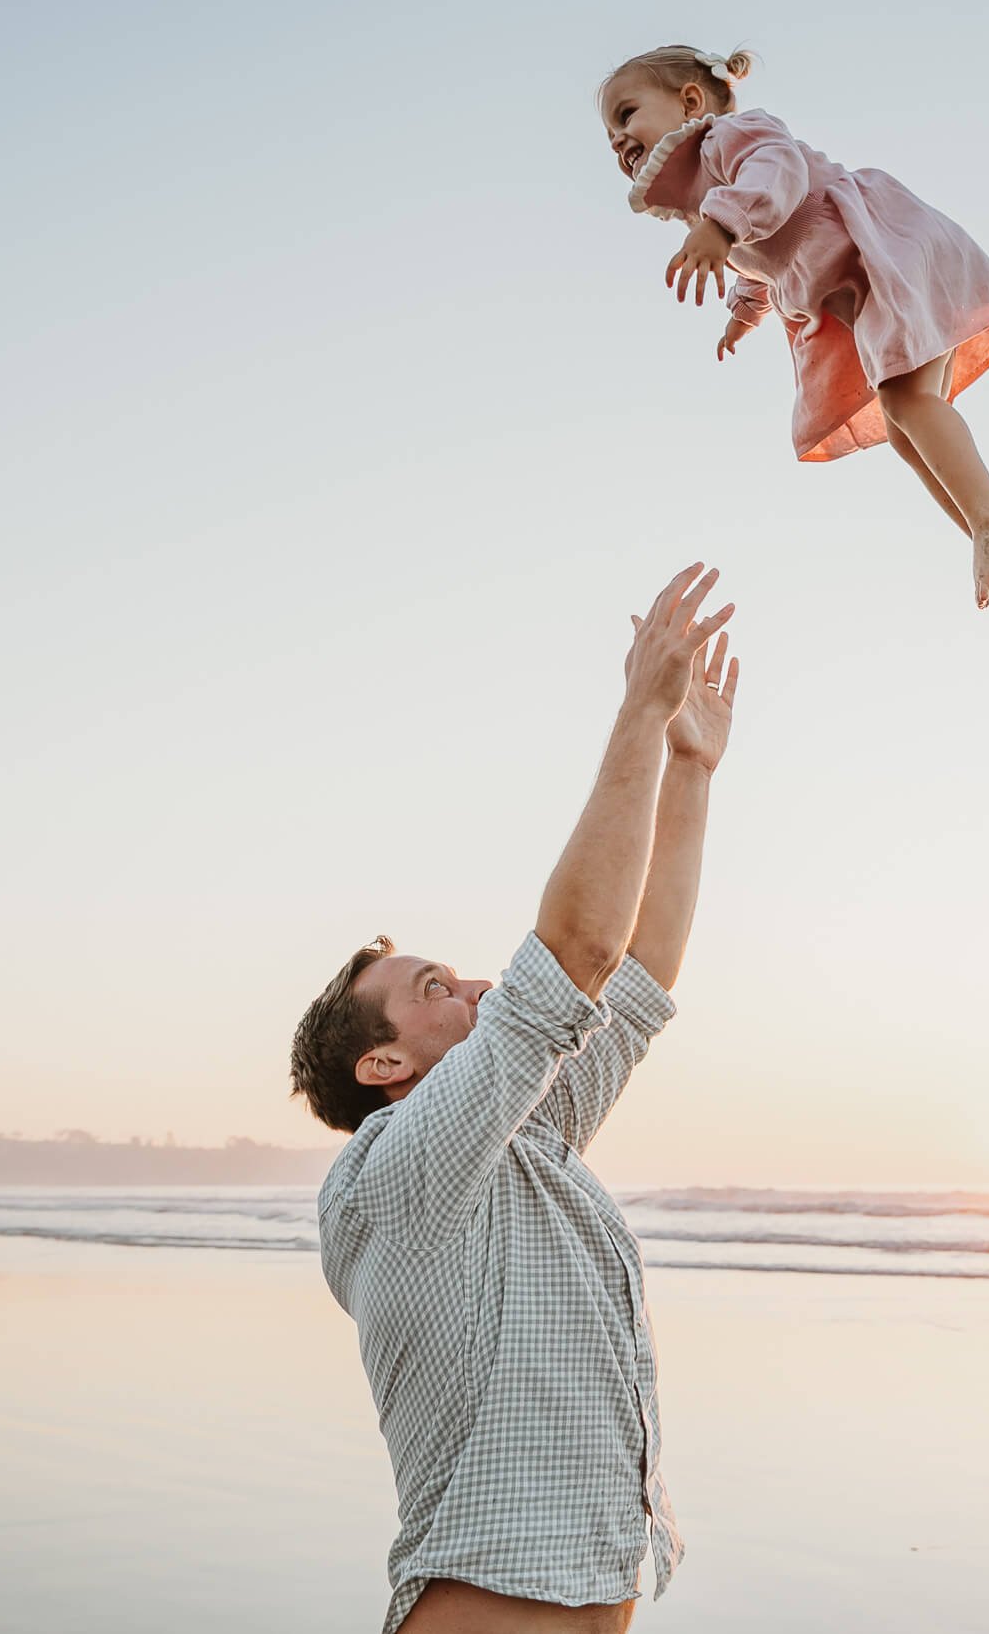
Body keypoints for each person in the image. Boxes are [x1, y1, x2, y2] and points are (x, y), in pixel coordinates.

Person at [289, 564, 738, 1634]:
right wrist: (637, 712)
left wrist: (689, 764)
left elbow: (635, 979)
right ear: (383, 1066)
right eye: (432, 989)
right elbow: (576, 953)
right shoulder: (389, 1172)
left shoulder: (521, 1140)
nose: (477, 983)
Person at [599, 45, 989, 622]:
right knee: (906, 426)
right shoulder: (707, 204)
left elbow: (777, 176)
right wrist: (743, 313)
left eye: (625, 114)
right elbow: (765, 263)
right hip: (870, 287)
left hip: (887, 254)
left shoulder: (730, 138)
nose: (615, 139)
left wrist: (719, 227)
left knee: (908, 403)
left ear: (689, 101)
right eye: (608, 133)